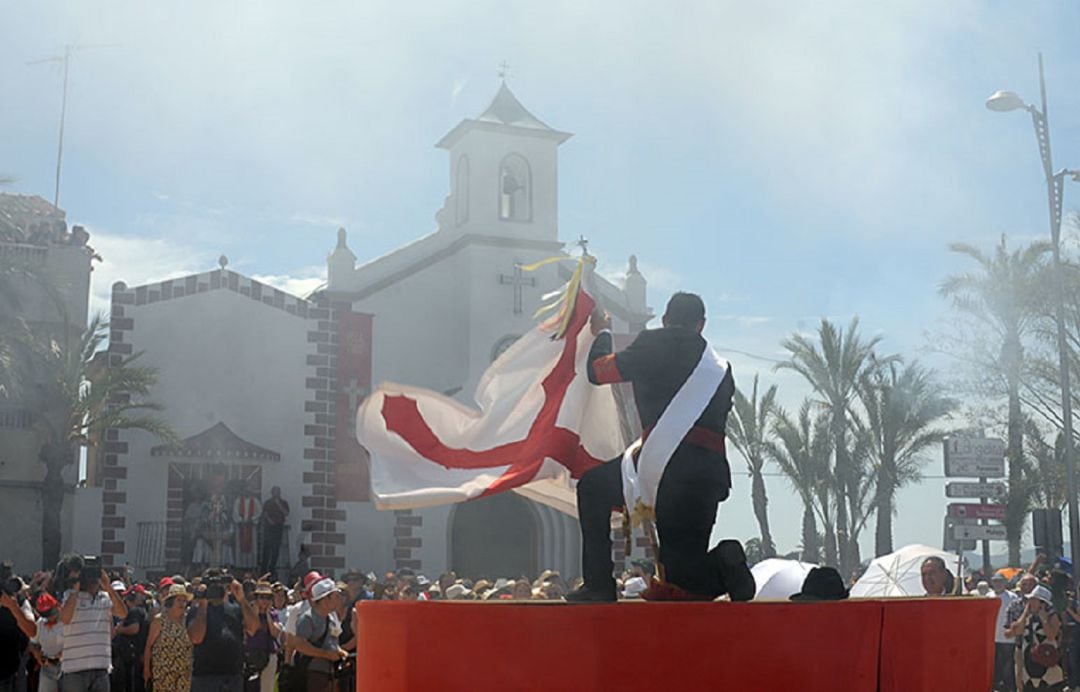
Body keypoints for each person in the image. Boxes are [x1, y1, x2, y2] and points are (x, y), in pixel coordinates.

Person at [568, 292, 753, 602]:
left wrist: (602, 332)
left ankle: (599, 585)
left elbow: (599, 371)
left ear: (665, 319)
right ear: (701, 325)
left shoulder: (652, 343)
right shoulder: (721, 369)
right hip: (707, 474)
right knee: (684, 575)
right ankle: (725, 561)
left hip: (666, 467)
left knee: (592, 488)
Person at [187, 569, 260, 692]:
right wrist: (203, 602)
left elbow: (253, 629)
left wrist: (242, 599)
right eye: (212, 586)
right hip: (205, 677)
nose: (216, 589)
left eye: (220, 584)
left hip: (233, 677)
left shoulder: (236, 608)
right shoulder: (196, 610)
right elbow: (196, 638)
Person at [290, 578, 347, 692]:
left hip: (328, 673)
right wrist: (326, 654)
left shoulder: (330, 618)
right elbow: (299, 645)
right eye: (335, 596)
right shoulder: (307, 619)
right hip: (311, 674)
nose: (339, 599)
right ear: (325, 599)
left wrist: (340, 652)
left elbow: (331, 642)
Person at [1006, 585, 1065, 690]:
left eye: (1034, 600)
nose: (1030, 602)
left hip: (1047, 660)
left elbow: (1051, 635)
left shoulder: (1052, 615)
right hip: (1029, 661)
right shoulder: (1026, 616)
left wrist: (1044, 619)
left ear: (1042, 602)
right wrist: (1025, 614)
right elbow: (1017, 631)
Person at [143, 584, 194, 692]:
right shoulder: (159, 620)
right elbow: (149, 646)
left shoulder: (187, 620)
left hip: (183, 672)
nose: (182, 604)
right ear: (171, 601)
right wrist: (146, 668)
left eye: (184, 601)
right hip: (163, 672)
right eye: (179, 600)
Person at [244, 582, 281, 692]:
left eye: (268, 597)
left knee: (267, 688)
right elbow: (251, 631)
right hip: (251, 654)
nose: (265, 600)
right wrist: (255, 612)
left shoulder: (274, 614)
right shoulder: (248, 612)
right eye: (261, 597)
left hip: (269, 653)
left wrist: (268, 614)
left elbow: (275, 632)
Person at [990, 573, 1020, 692]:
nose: (997, 584)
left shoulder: (1012, 597)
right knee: (994, 666)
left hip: (1008, 638)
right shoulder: (988, 596)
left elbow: (1016, 615)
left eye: (1000, 581)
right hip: (992, 638)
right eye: (995, 581)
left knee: (1008, 666)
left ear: (1005, 583)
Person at [29, 593, 64, 692]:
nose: (49, 617)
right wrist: (36, 653)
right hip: (47, 666)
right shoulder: (40, 623)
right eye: (46, 615)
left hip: (65, 667)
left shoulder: (66, 621)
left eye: (51, 613)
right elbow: (32, 643)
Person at [260, 487, 290, 579]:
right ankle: (264, 569)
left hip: (278, 527)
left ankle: (272, 568)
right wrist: (269, 520)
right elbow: (264, 514)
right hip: (269, 528)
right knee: (267, 548)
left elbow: (286, 513)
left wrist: (279, 505)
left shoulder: (283, 503)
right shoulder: (268, 503)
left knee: (275, 548)